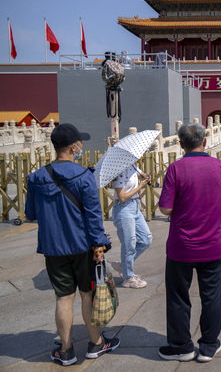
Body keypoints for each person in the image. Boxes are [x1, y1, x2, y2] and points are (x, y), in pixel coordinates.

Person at [25, 123, 119, 366]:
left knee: (63, 298)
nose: (81, 147)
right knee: (87, 295)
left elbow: (31, 214)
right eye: (80, 143)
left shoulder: (35, 177)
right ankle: (96, 344)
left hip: (53, 248)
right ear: (74, 146)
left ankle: (65, 351)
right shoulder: (83, 176)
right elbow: (93, 216)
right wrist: (100, 245)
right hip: (83, 246)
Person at [157, 123, 221, 362]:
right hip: (212, 244)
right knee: (211, 296)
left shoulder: (176, 169)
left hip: (181, 247)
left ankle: (182, 346)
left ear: (181, 145)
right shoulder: (220, 167)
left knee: (179, 296)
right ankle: (209, 346)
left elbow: (166, 208)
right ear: (205, 141)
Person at [110, 164, 152, 289]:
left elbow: (141, 173)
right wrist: (140, 186)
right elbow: (121, 197)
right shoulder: (118, 171)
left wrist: (146, 176)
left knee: (146, 239)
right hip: (123, 208)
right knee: (129, 244)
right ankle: (128, 278)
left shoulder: (132, 165)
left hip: (134, 206)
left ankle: (123, 265)